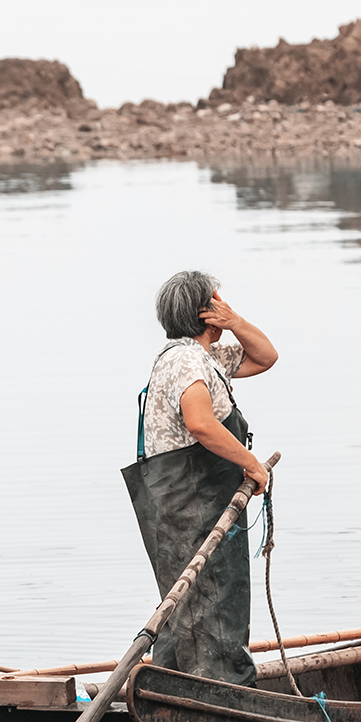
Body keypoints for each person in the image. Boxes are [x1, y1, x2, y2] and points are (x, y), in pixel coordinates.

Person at [121, 271, 280, 685]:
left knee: (195, 603)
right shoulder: (185, 360)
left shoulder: (204, 357)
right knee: (205, 602)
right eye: (218, 302)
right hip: (190, 503)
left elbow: (265, 356)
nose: (224, 307)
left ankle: (177, 686)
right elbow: (201, 424)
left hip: (195, 499)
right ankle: (217, 691)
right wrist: (252, 463)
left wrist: (236, 323)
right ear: (204, 311)